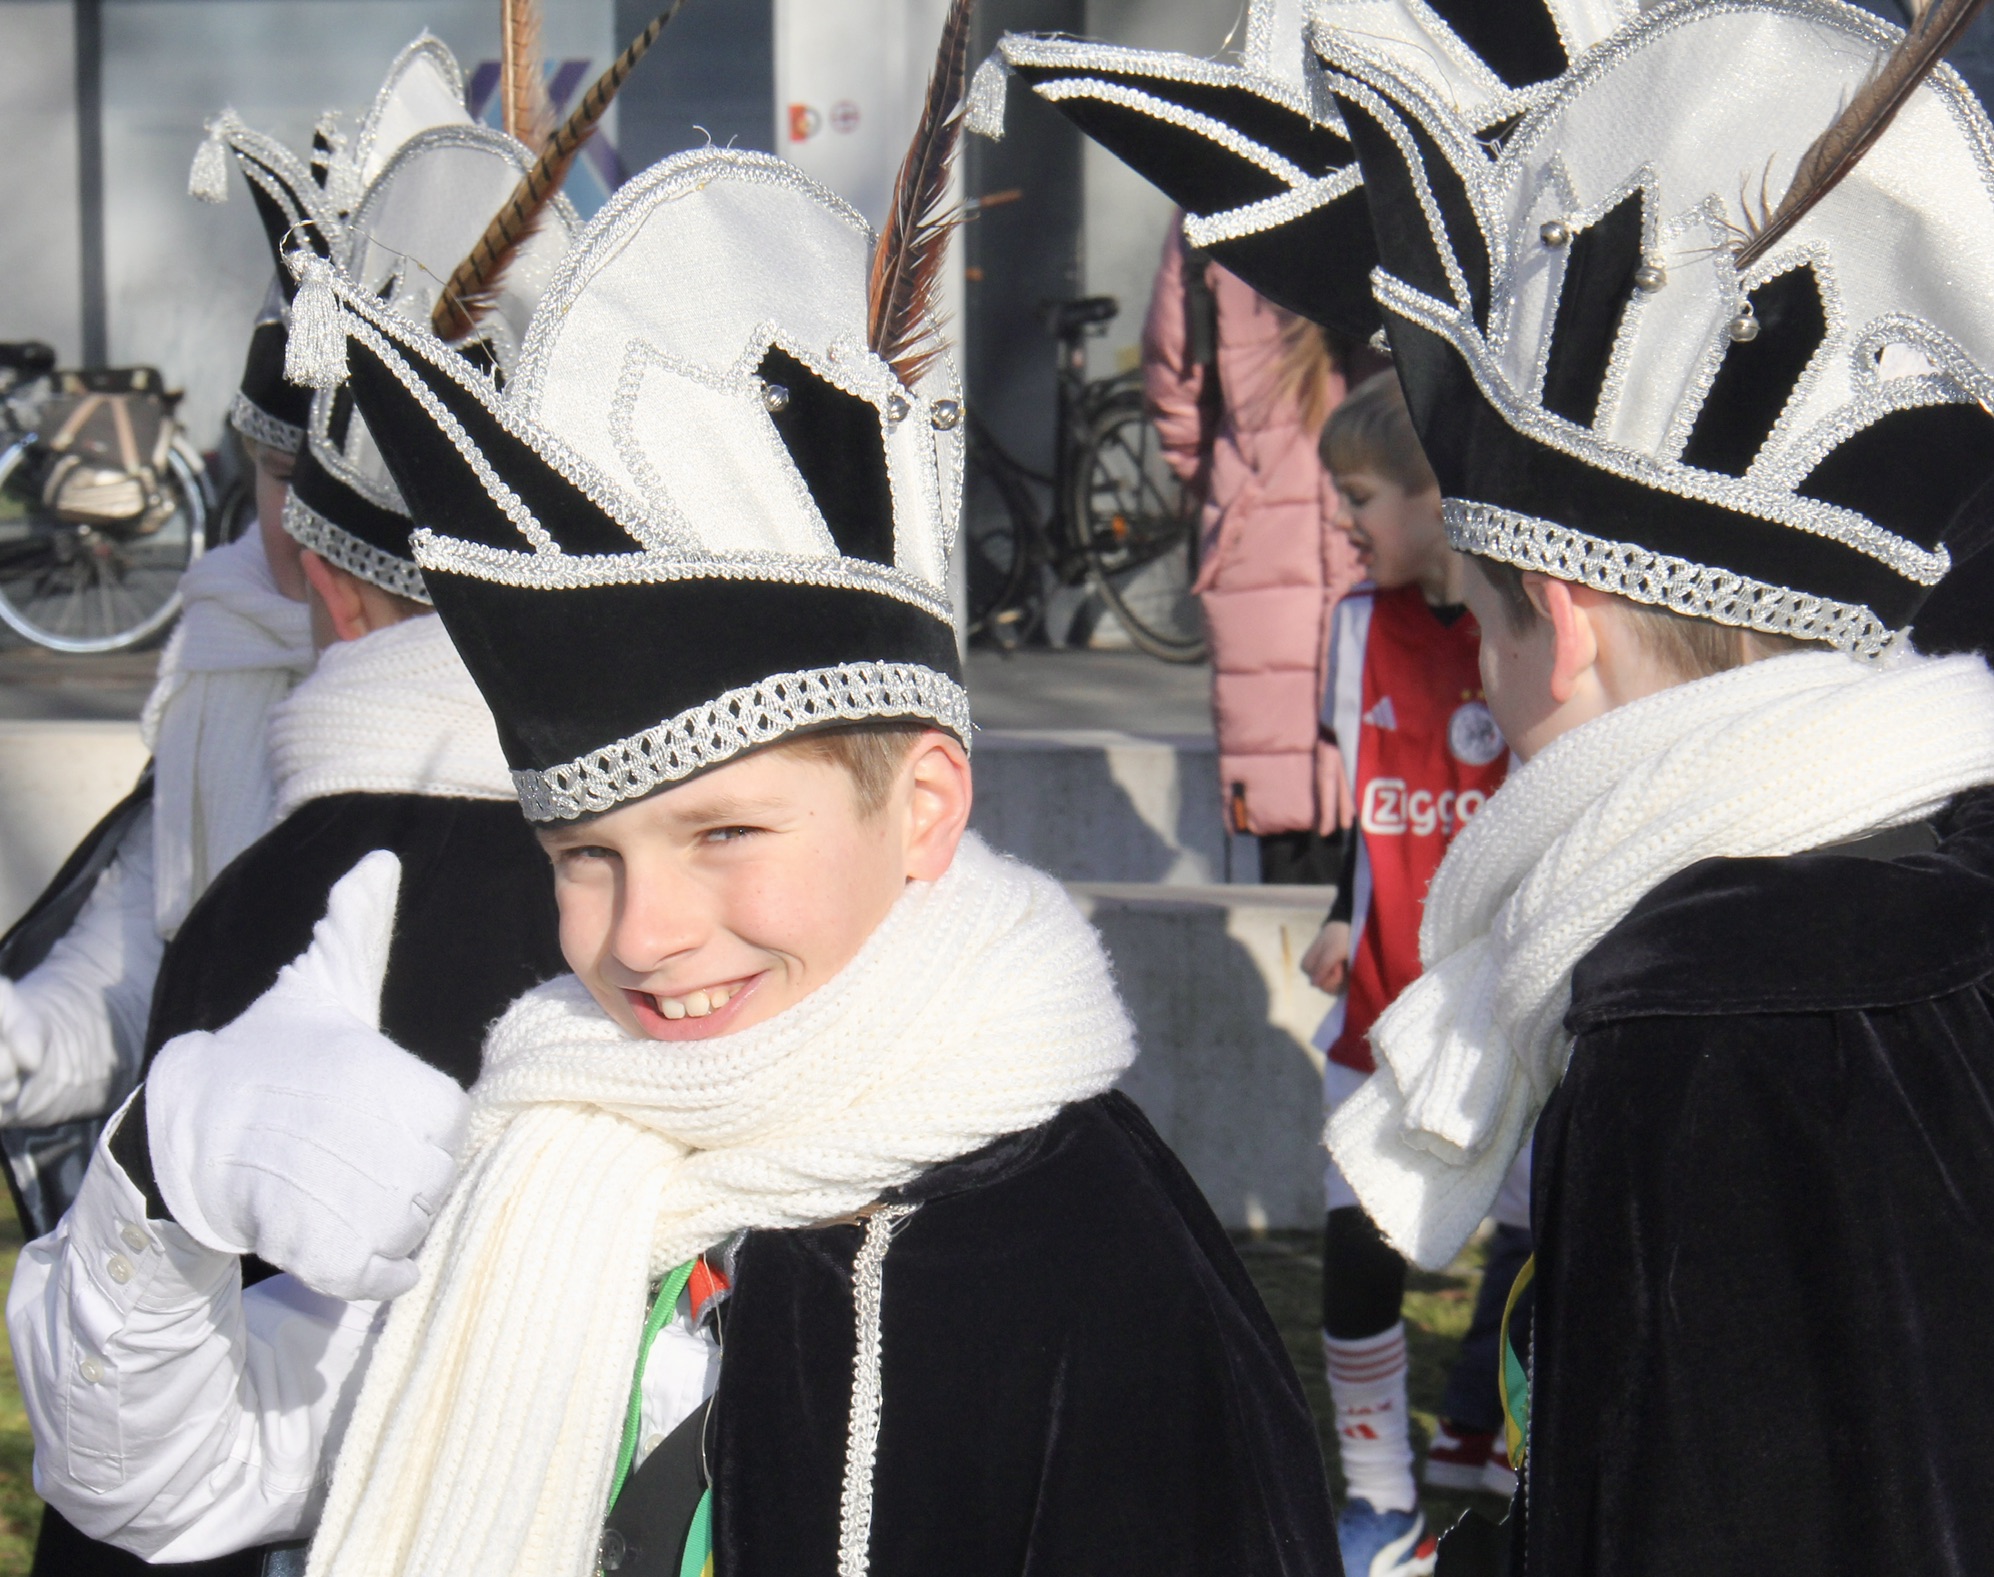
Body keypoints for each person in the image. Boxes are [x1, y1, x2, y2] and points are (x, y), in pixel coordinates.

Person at [10, 16, 1344, 1574]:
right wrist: (156, 1194)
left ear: (918, 805)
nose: (642, 934)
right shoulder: (544, 1136)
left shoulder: (1079, 1256)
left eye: (725, 832)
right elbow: (164, 1493)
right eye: (584, 852)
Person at [1297, 0, 1994, 1570]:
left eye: (1477, 621)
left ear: (1564, 626)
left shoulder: (1709, 1008)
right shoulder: (1909, 881)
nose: (1468, 673)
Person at [17, 37, 583, 1577]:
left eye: (290, 478)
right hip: (201, 1235)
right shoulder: (215, 647)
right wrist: (26, 1047)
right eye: (256, 471)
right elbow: (144, 949)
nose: (269, 515)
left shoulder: (513, 782)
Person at [1275, 371, 1508, 1576]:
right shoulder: (1355, 625)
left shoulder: (1524, 632)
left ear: (1440, 497)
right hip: (1375, 1008)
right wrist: (1334, 912)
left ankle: (1484, 1415)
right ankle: (1379, 1502)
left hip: (1504, 1020)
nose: (1342, 521)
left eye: (1358, 495)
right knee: (1357, 1248)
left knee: (1531, 1240)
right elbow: (1369, 821)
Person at [1145, 223, 1367, 883]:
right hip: (1385, 533)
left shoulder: (1217, 196)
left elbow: (1176, 391)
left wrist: (1236, 491)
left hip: (1273, 543)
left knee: (1295, 836)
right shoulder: (1391, 181)